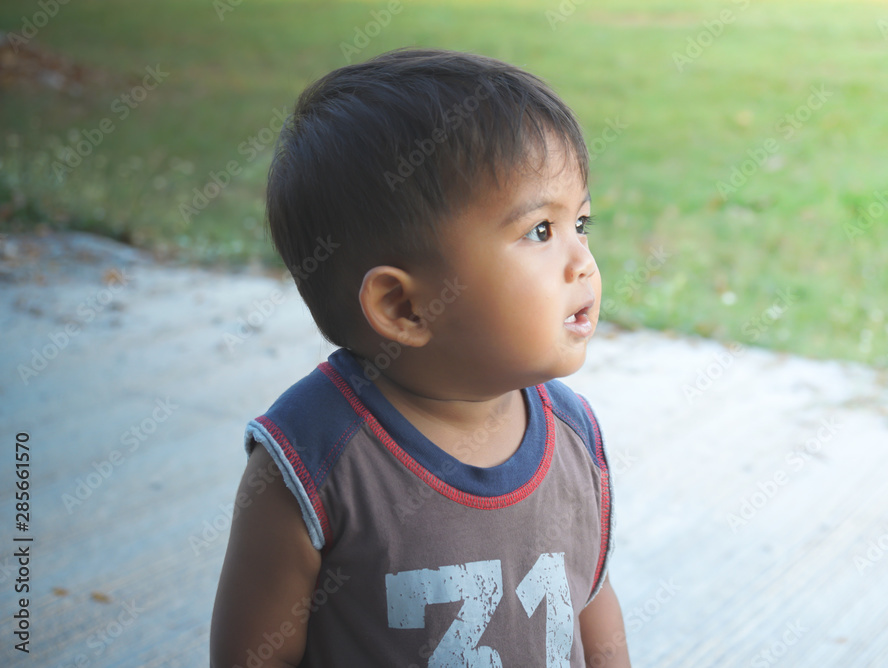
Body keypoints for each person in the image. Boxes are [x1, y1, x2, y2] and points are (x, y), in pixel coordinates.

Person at [211, 47, 630, 668]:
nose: (582, 263)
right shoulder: (315, 460)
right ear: (404, 307)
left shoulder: (573, 438)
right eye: (540, 231)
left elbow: (591, 607)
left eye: (581, 225)